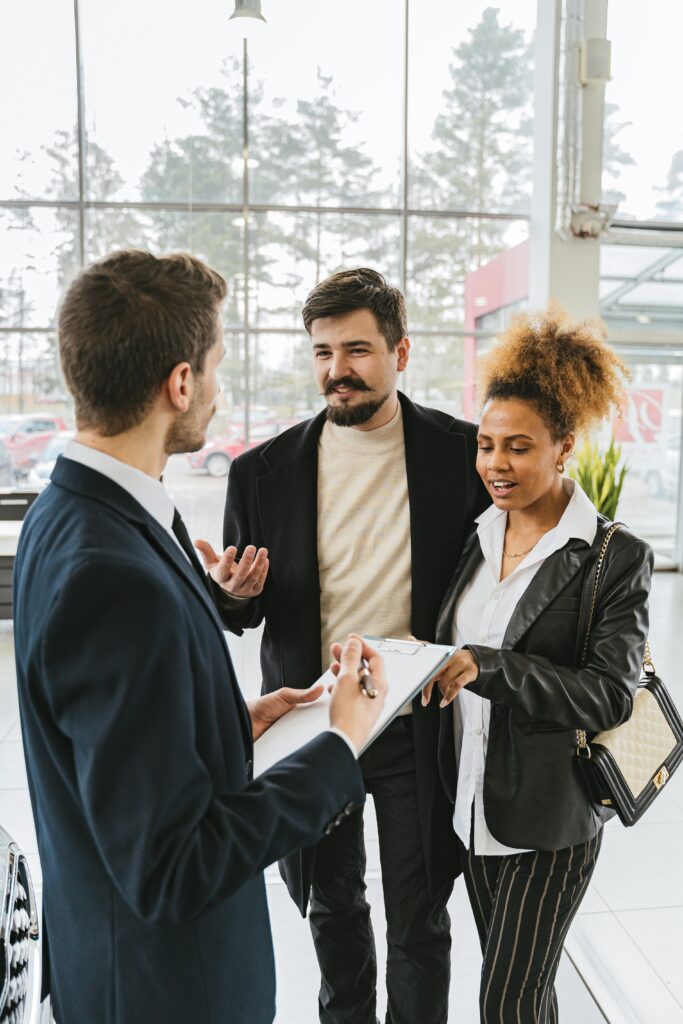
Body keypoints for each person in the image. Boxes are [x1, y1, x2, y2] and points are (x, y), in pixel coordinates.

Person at [13, 250, 390, 1024]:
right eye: (215, 365)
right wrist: (338, 746)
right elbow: (172, 867)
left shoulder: (67, 511)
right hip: (165, 991)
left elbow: (112, 762)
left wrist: (226, 730)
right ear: (179, 383)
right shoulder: (112, 576)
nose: (219, 390)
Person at [203, 268, 489, 1024]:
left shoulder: (462, 456)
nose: (337, 370)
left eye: (357, 349)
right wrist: (232, 596)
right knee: (331, 907)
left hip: (413, 717)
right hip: (314, 720)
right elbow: (241, 612)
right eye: (323, 351)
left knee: (419, 917)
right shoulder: (260, 472)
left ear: (400, 352)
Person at [423, 307, 653, 1023]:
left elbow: (609, 696)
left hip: (549, 822)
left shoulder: (615, 558)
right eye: (486, 444)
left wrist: (487, 667)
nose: (494, 463)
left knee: (506, 1002)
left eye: (517, 447)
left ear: (564, 446)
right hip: (469, 806)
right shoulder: (475, 533)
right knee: (523, 991)